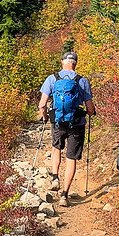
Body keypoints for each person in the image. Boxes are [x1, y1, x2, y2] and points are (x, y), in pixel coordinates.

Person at [38, 51, 95, 206]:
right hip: (76, 122)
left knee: (56, 148)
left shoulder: (52, 78)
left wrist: (45, 116)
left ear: (62, 62)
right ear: (75, 63)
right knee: (71, 158)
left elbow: (42, 104)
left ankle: (55, 177)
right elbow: (90, 108)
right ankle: (64, 195)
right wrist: (90, 113)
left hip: (58, 121)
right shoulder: (82, 81)